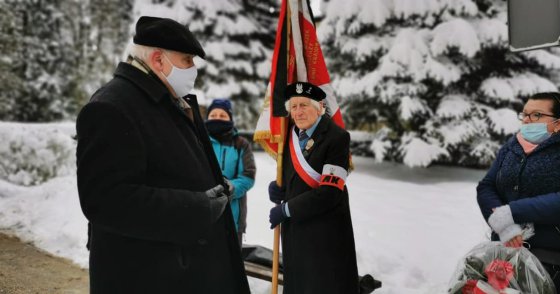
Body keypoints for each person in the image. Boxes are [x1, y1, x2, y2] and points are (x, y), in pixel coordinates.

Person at [75, 16, 249, 294]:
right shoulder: (112, 107)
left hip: (181, 270)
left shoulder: (164, 101)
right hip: (150, 276)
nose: (193, 69)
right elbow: (105, 200)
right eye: (187, 60)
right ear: (158, 59)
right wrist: (196, 207)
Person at [477, 92, 560, 294]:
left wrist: (513, 211)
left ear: (559, 123)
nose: (527, 120)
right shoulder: (512, 147)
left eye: (536, 115)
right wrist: (504, 225)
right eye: (525, 114)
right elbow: (487, 186)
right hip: (507, 263)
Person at [268, 82, 359, 293]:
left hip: (324, 231)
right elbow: (295, 176)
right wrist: (277, 187)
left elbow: (330, 193)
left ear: (319, 107)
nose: (298, 112)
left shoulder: (337, 137)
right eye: (294, 107)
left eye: (304, 105)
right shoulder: (289, 135)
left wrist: (286, 209)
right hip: (296, 230)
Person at [204, 98, 256, 245]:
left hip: (232, 215)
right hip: (202, 211)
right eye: (213, 115)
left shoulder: (240, 144)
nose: (217, 119)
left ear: (230, 118)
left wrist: (229, 189)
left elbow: (248, 176)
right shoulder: (198, 140)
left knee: (230, 264)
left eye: (222, 116)